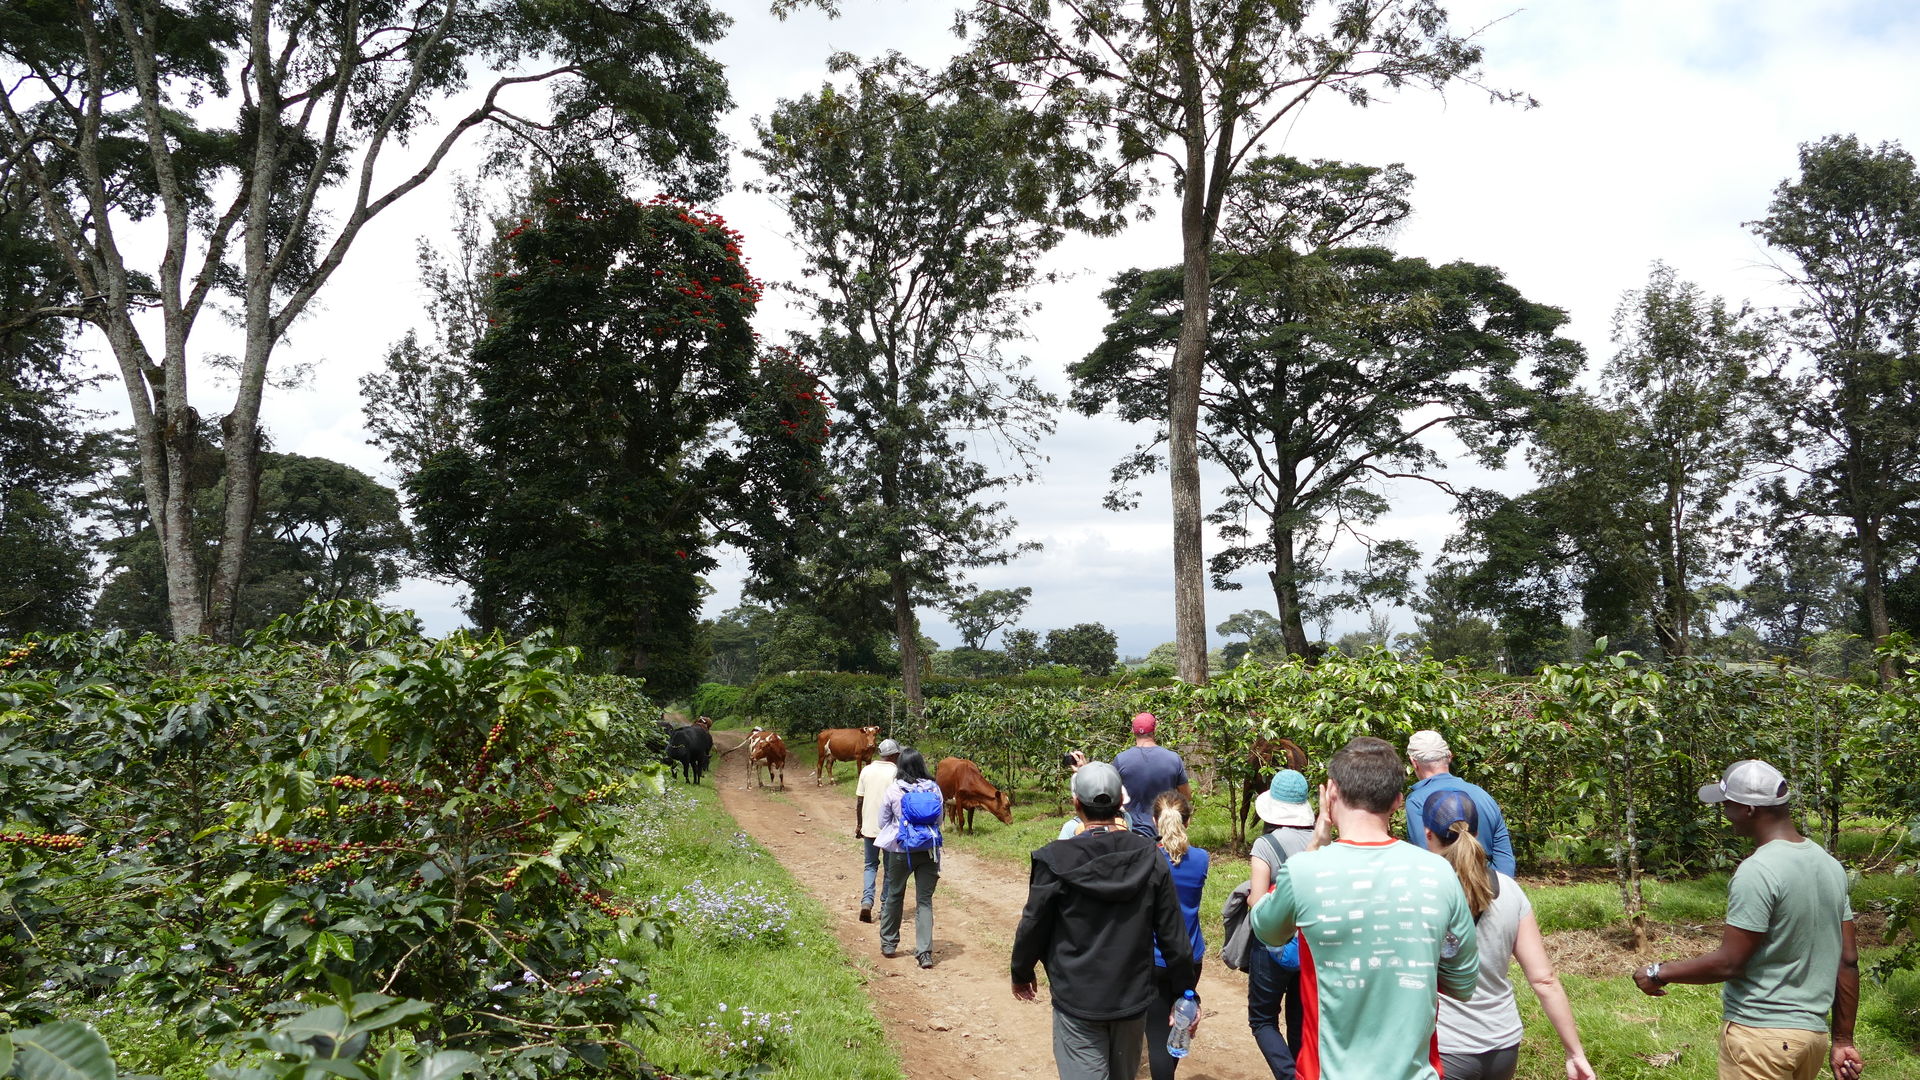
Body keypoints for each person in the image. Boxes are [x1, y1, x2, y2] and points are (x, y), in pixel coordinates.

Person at [1250, 735, 1479, 1080]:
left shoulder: (1305, 871)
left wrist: (1316, 842)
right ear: (1399, 801)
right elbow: (1462, 983)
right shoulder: (1440, 874)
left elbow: (1265, 928)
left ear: (1331, 793)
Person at [1632, 759, 1860, 1080]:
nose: (1726, 813)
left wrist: (1658, 972)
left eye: (1728, 804)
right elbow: (1848, 961)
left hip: (1760, 1036)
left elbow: (1730, 963)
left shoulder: (1758, 870)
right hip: (1811, 1039)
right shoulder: (1830, 866)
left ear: (1750, 809)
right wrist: (1843, 1040)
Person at [1012, 761, 1198, 1080]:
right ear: (1120, 804)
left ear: (1076, 804)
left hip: (1077, 997)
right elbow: (1173, 934)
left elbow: (1034, 923)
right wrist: (1185, 993)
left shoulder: (1054, 859)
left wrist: (1021, 971)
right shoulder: (1150, 856)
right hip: (1131, 998)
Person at [1426, 789, 1595, 1080]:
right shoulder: (1509, 890)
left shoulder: (1422, 892)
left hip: (1445, 1047)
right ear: (1477, 832)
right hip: (1502, 1045)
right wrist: (1575, 1053)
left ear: (1428, 834)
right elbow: (1544, 979)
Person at [1246, 768, 1316, 1080]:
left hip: (1272, 944)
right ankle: (1303, 1071)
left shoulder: (1266, 845)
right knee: (1301, 1019)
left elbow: (1258, 901)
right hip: (1312, 944)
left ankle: (1289, 1075)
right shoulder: (1324, 842)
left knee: (1262, 1019)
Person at [1145, 791, 1209, 1080]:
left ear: (1154, 820)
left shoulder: (1145, 858)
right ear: (1188, 821)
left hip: (1155, 957)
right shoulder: (1201, 859)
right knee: (1178, 1031)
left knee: (1158, 1036)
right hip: (1190, 956)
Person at [1403, 730, 1517, 878]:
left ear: (1414, 762)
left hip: (1446, 889)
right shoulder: (1483, 795)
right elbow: (1505, 858)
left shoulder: (1417, 801)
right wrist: (1498, 890)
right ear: (1449, 756)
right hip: (1489, 886)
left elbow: (1425, 857)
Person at [875, 747, 943, 969]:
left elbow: (881, 821)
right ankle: (924, 953)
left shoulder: (894, 789)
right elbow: (939, 820)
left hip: (899, 850)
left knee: (895, 894)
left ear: (900, 765)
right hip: (928, 850)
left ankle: (889, 943)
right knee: (924, 901)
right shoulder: (933, 788)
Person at [1113, 712, 1191, 838]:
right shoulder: (1173, 759)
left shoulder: (1120, 760)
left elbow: (1113, 795)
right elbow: (1186, 796)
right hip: (1166, 830)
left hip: (1132, 831)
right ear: (1155, 730)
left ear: (1133, 731)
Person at [853, 738, 902, 923]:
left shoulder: (866, 770)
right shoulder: (896, 772)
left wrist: (859, 824)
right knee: (889, 869)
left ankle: (866, 902)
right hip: (889, 829)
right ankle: (884, 908)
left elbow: (860, 800)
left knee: (870, 865)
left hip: (869, 827)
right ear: (894, 755)